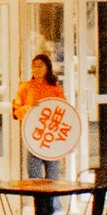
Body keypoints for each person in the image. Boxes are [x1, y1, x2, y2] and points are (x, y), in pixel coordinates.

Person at [15, 50, 76, 184]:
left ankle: (52, 199)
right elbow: (16, 112)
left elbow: (64, 115)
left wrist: (68, 141)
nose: (36, 69)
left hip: (52, 139)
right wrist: (28, 107)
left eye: (40, 66)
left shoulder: (55, 89)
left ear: (47, 68)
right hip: (33, 138)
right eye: (34, 66)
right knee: (35, 180)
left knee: (52, 180)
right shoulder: (25, 87)